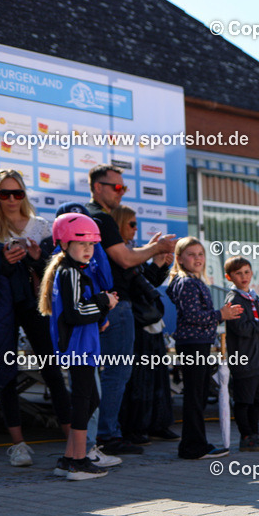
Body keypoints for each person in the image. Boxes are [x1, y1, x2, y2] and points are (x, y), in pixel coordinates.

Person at [0, 169, 72, 467]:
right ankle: (18, 445)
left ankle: (74, 439)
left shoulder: (40, 226)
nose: (10, 199)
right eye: (4, 194)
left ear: (24, 195)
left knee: (51, 370)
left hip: (33, 304)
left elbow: (58, 270)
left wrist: (35, 258)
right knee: (4, 374)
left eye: (16, 193)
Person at [85, 164, 176, 456]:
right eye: (117, 187)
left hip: (102, 305)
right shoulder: (101, 218)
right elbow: (124, 260)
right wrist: (156, 248)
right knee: (116, 372)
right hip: (113, 307)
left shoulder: (90, 217)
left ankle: (101, 435)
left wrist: (152, 253)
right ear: (98, 187)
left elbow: (130, 269)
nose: (121, 192)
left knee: (103, 373)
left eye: (124, 187)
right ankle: (107, 435)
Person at [38, 213, 119, 479]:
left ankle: (69, 458)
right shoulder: (70, 272)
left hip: (84, 344)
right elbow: (74, 313)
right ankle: (79, 461)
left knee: (88, 399)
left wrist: (99, 314)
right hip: (78, 348)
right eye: (81, 243)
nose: (88, 249)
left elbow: (78, 311)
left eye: (92, 244)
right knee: (84, 401)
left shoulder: (73, 271)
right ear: (64, 244)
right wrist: (104, 303)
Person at [166, 237, 242, 459]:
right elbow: (192, 316)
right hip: (193, 344)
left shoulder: (191, 281)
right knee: (194, 396)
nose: (197, 258)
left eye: (200, 254)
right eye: (191, 254)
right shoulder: (188, 283)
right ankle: (193, 447)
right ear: (179, 259)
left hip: (195, 343)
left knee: (196, 395)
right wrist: (221, 315)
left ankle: (194, 444)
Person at [114, 206, 177, 445]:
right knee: (138, 380)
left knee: (159, 377)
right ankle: (135, 427)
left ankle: (158, 423)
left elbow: (146, 283)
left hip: (150, 322)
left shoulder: (133, 251)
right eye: (131, 224)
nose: (135, 229)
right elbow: (133, 286)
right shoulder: (120, 254)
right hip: (135, 322)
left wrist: (159, 263)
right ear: (119, 224)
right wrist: (153, 258)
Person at [223, 255, 259, 452]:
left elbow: (258, 327)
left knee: (257, 399)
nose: (244, 276)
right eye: (238, 273)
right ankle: (246, 436)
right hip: (243, 358)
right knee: (244, 400)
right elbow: (242, 328)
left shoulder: (253, 298)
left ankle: (255, 434)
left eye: (247, 272)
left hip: (257, 358)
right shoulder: (234, 299)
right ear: (229, 277)